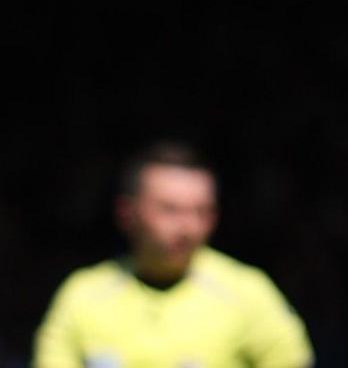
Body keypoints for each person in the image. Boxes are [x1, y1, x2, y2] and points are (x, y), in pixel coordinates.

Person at [33, 141, 314, 368]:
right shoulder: (83, 294)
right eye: (170, 209)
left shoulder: (249, 292)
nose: (188, 227)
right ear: (127, 213)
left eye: (201, 211)